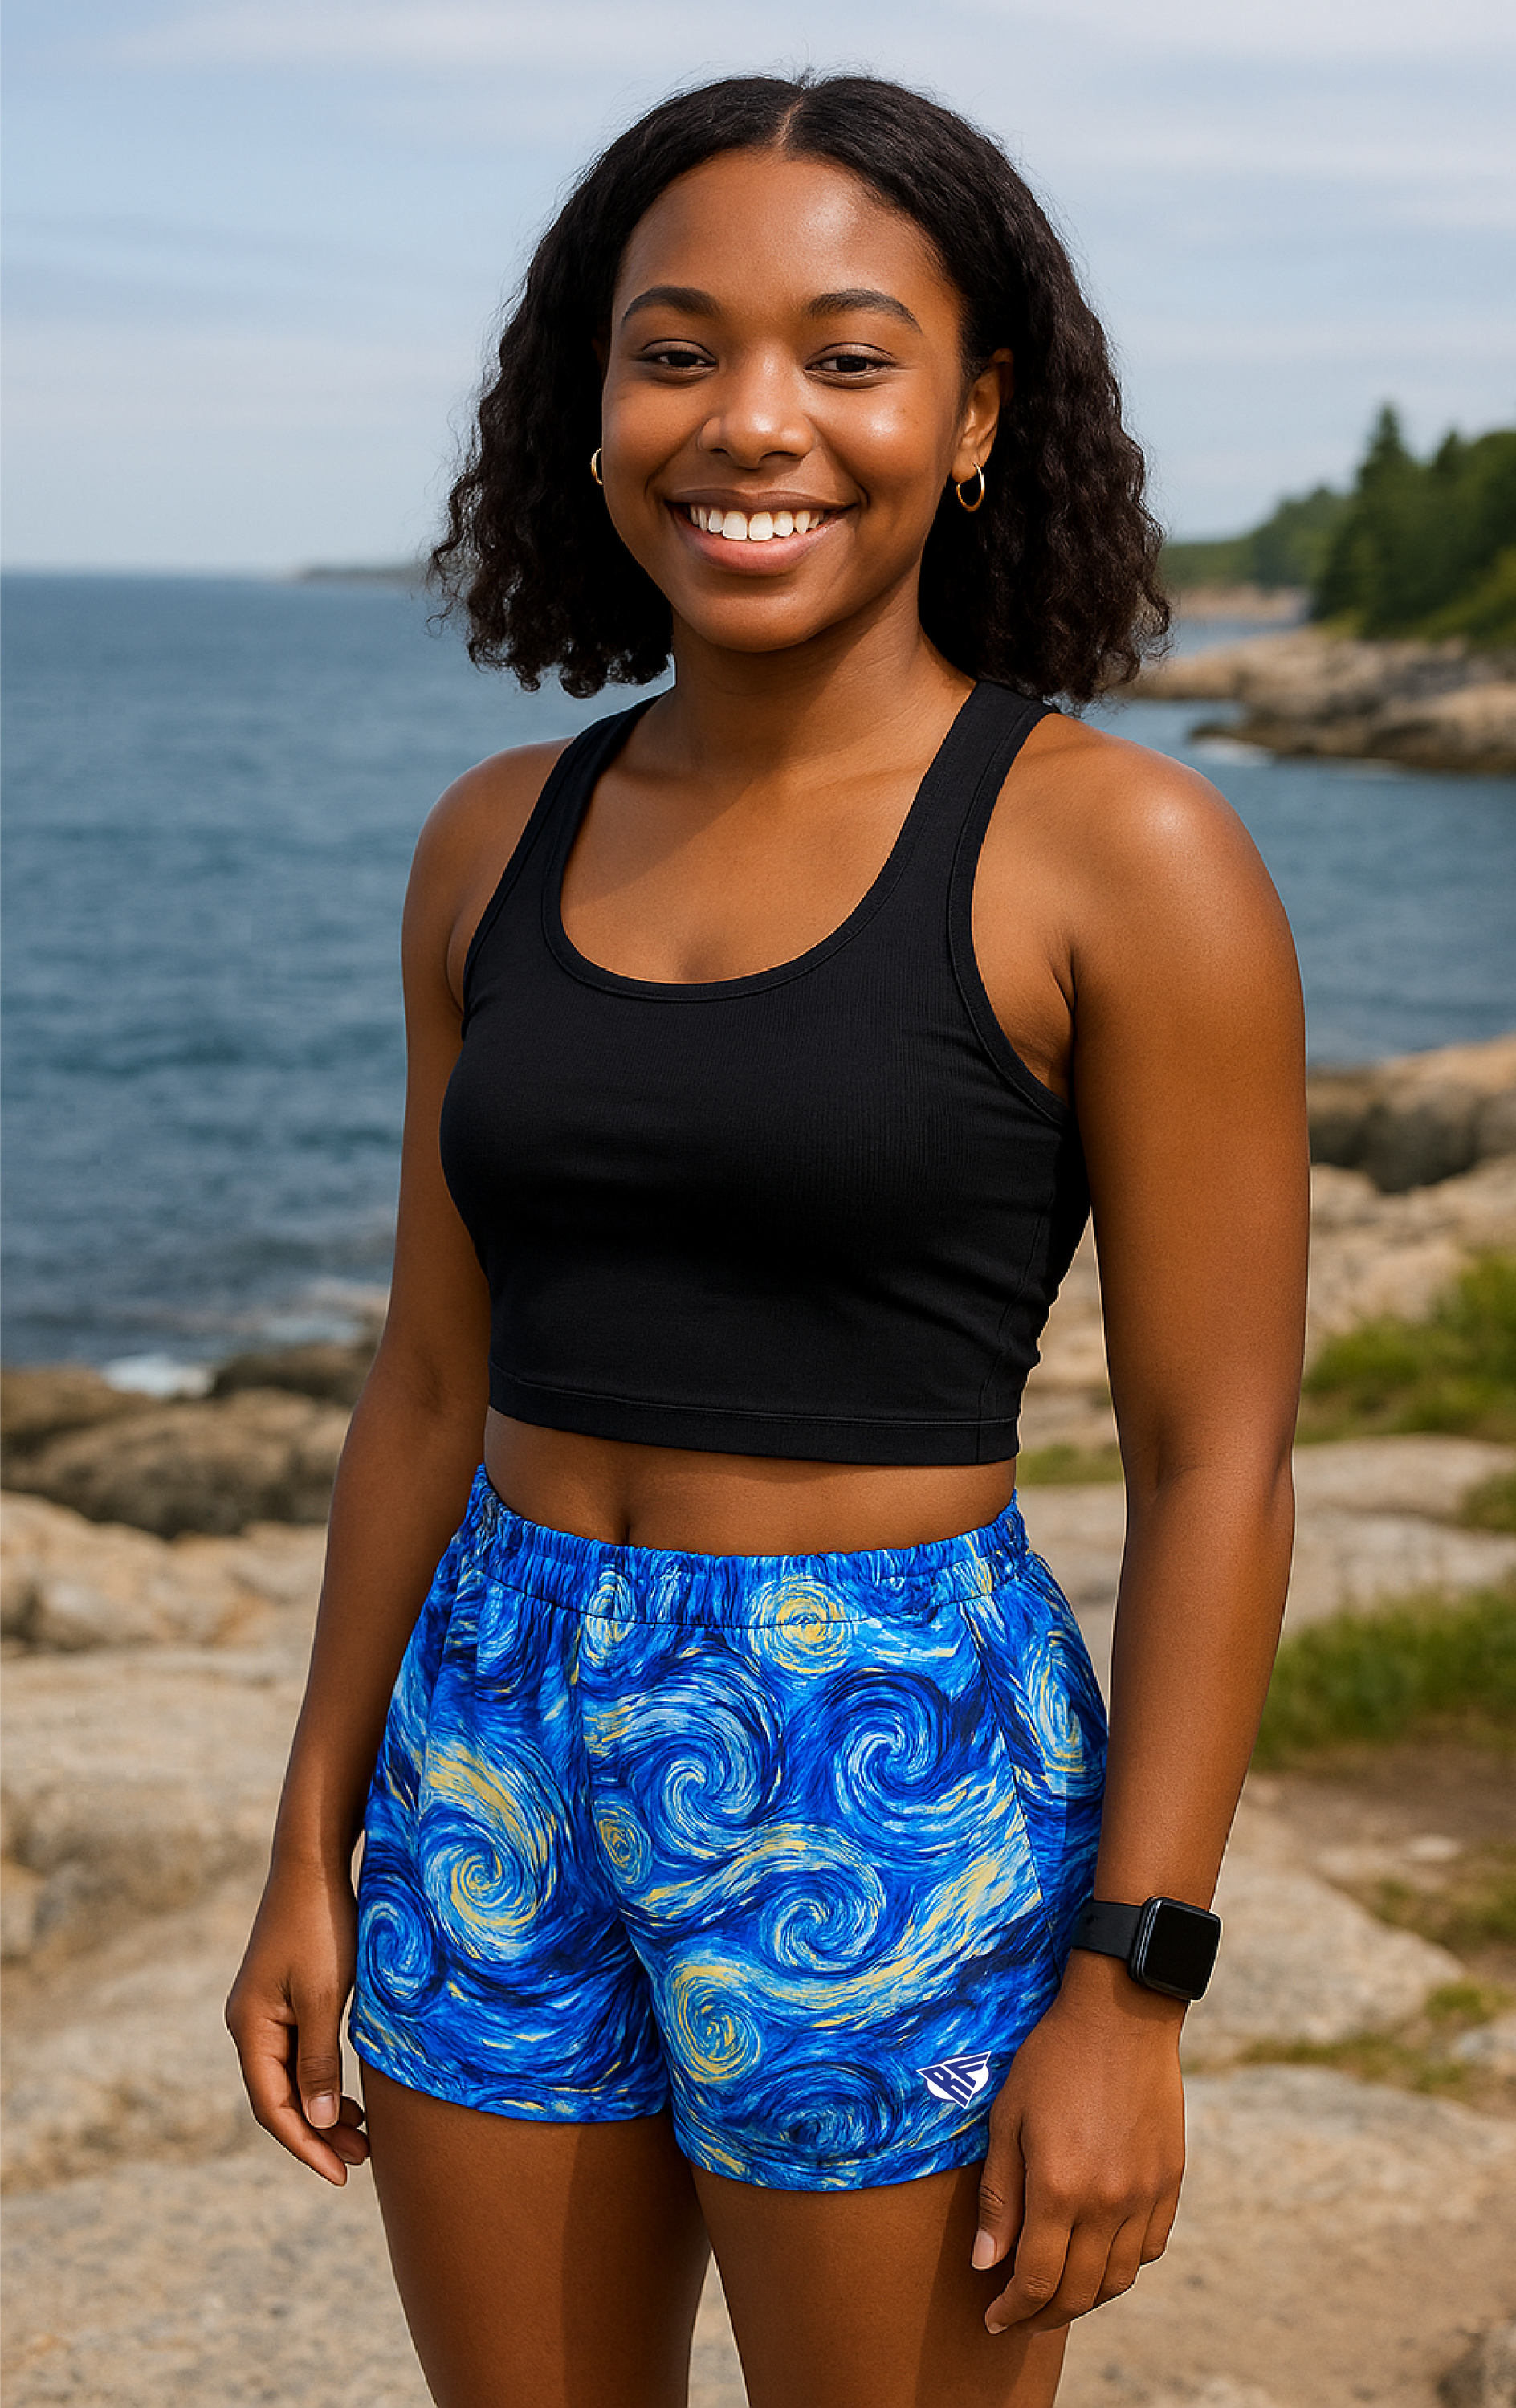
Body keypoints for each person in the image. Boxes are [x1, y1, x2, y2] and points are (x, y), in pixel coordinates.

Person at [226, 71, 1308, 2408]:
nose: (754, 425)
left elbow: (1222, 1449)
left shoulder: (1120, 855)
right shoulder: (491, 837)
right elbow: (425, 1380)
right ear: (588, 407)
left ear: (980, 409)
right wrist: (311, 1840)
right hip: (487, 1746)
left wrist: (1132, 1983)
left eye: (846, 353)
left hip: (879, 1748)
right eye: (678, 349)